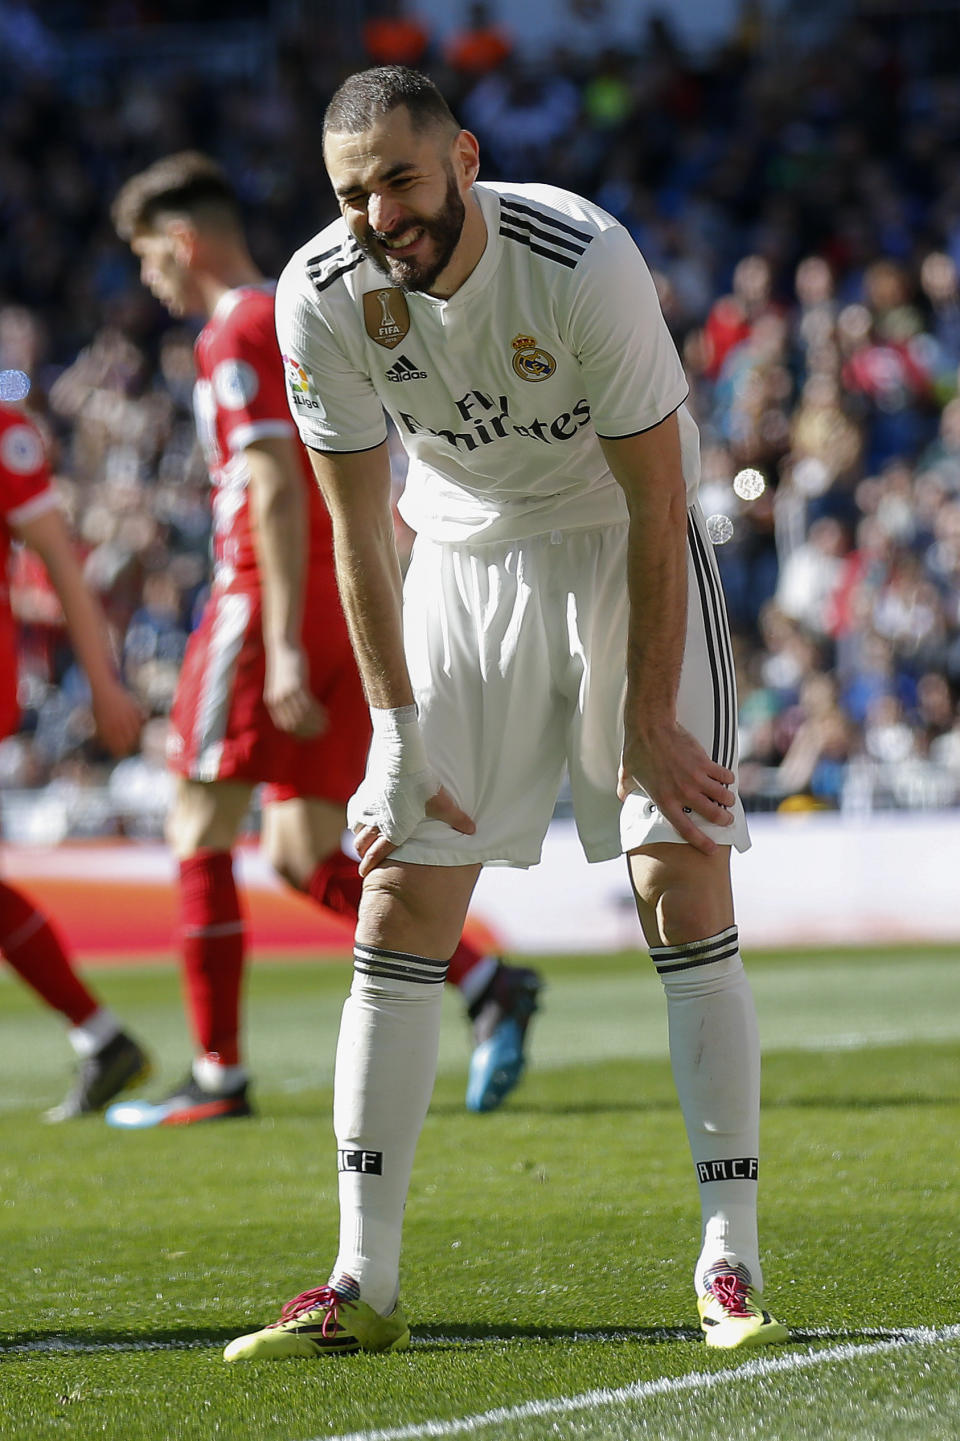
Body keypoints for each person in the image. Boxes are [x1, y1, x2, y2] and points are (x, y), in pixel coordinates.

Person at [222, 64, 791, 1363]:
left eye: (400, 180)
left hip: (614, 540)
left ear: (464, 158)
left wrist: (648, 712)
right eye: (352, 192)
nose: (379, 212)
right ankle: (361, 1279)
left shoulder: (582, 256)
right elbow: (360, 529)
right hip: (461, 561)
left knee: (677, 874)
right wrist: (398, 740)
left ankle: (730, 1262)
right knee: (400, 893)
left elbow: (659, 499)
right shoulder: (317, 295)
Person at [106, 151, 540, 1127]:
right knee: (307, 850)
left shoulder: (238, 329)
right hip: (342, 604)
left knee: (196, 824)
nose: (148, 280)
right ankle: (484, 981)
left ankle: (218, 1073)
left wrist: (285, 645)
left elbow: (268, 485)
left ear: (183, 241)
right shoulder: (291, 313)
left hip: (268, 605)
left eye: (147, 257)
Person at [0, 398, 148, 1120]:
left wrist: (103, 681)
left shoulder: (5, 431)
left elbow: (60, 561)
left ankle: (103, 1036)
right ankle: (103, 1036)